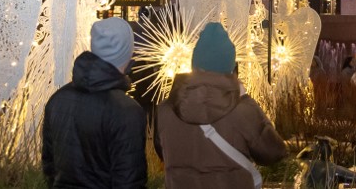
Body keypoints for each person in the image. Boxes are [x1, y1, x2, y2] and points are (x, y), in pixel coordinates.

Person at [157, 22, 286, 189]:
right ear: (230, 66)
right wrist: (246, 99)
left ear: (194, 63)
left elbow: (163, 152)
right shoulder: (242, 110)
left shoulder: (165, 110)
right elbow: (273, 153)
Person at [42, 17, 147, 189]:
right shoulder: (126, 110)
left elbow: (49, 165)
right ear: (127, 52)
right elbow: (129, 181)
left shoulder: (58, 100)